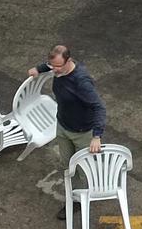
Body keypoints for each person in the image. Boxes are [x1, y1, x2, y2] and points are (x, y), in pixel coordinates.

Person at [28, 45, 106, 219]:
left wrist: (96, 136)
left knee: (84, 168)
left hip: (82, 132)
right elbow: (49, 66)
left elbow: (98, 107)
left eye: (57, 67)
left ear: (68, 61)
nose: (53, 70)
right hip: (63, 126)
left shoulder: (81, 82)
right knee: (68, 165)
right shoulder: (57, 67)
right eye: (51, 65)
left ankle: (85, 195)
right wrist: (38, 69)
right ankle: (74, 197)